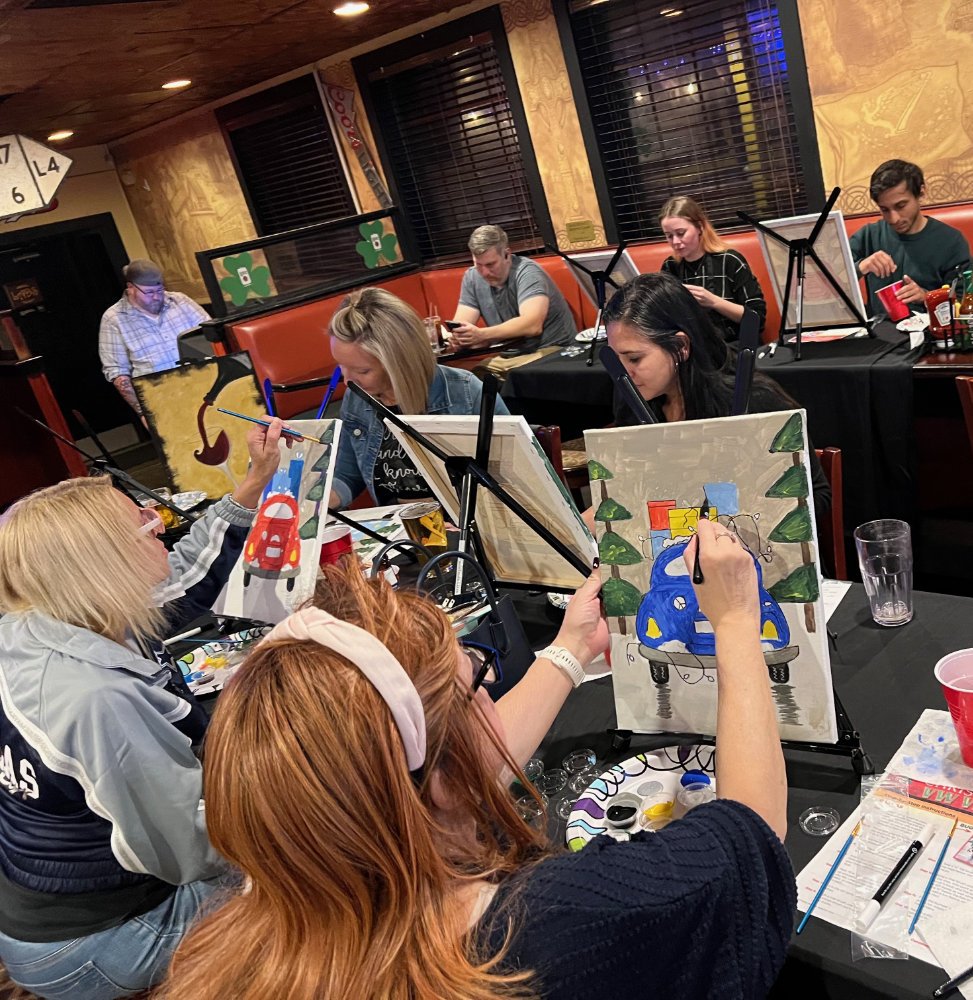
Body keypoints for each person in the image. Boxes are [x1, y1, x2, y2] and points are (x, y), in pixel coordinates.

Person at [158, 522, 793, 1000]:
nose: (490, 691)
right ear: (439, 781)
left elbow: (436, 766)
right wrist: (735, 621)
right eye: (475, 685)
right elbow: (751, 832)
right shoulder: (551, 930)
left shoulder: (236, 941)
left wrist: (569, 650)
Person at [0, 419, 285, 999]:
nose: (163, 527)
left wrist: (255, 484)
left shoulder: (43, 621)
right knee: (322, 870)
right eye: (146, 527)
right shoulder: (93, 699)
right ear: (101, 565)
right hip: (95, 941)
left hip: (53, 910)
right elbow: (191, 849)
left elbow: (182, 583)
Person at [603, 272, 830, 512]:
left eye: (634, 358)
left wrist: (744, 508)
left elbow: (818, 496)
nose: (623, 373)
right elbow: (628, 489)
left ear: (681, 346)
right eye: (614, 359)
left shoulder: (753, 400)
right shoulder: (632, 399)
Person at [328, 286, 509, 510]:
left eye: (362, 371)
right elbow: (347, 476)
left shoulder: (465, 393)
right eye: (341, 367)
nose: (347, 381)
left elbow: (510, 479)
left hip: (467, 529)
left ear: (398, 362)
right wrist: (310, 500)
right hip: (399, 532)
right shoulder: (357, 399)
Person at [850, 159, 972, 317]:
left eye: (901, 206)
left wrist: (926, 297)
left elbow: (964, 303)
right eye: (884, 209)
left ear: (921, 193)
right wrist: (861, 267)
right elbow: (827, 281)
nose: (893, 219)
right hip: (882, 334)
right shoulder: (869, 235)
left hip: (932, 335)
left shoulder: (951, 241)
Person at [98, 259, 210, 416]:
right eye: (149, 292)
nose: (157, 297)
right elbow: (118, 372)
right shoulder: (114, 318)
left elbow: (212, 336)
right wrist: (144, 413)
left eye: (159, 290)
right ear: (131, 288)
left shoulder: (181, 301)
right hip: (162, 403)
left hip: (205, 389)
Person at [449, 225, 577, 353]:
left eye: (490, 264)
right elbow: (462, 323)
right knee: (462, 373)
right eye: (478, 264)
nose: (484, 272)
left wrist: (482, 335)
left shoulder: (528, 272)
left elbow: (532, 325)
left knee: (503, 373)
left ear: (507, 255)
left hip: (553, 349)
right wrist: (459, 338)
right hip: (510, 355)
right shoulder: (472, 277)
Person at [659, 196, 767, 343]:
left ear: (700, 227)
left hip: (733, 345)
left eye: (681, 233)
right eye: (669, 236)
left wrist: (714, 302)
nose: (675, 242)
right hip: (695, 349)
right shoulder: (670, 267)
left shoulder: (729, 260)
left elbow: (757, 319)